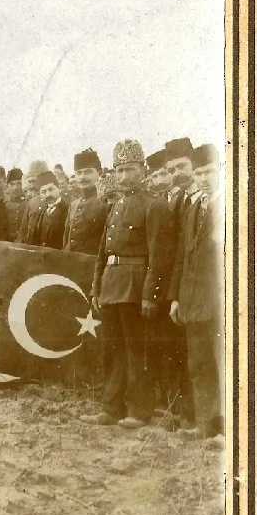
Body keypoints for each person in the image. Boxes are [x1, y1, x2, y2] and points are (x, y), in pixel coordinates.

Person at [82, 139, 174, 430]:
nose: (124, 176)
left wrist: (150, 296)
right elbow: (103, 252)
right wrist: (96, 287)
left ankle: (139, 409)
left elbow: (159, 255)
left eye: (130, 169)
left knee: (136, 350)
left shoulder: (154, 205)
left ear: (143, 169)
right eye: (119, 170)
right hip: (111, 285)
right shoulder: (116, 205)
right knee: (113, 349)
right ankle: (111, 408)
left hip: (136, 286)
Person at [168, 143, 224, 442]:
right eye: (200, 173)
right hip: (193, 299)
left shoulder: (232, 205)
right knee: (199, 363)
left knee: (224, 361)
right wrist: (176, 298)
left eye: (209, 172)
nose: (204, 179)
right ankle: (205, 423)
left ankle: (229, 427)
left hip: (220, 299)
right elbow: (181, 256)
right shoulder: (192, 208)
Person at [155, 136, 200, 425]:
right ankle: (180, 410)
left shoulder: (203, 199)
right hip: (177, 286)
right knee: (175, 349)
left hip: (195, 289)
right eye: (172, 170)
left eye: (182, 166)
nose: (177, 174)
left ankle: (194, 414)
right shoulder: (179, 199)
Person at [63, 148, 109, 255]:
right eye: (79, 173)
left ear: (99, 173)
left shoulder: (106, 201)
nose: (82, 177)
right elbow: (66, 240)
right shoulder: (73, 204)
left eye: (88, 172)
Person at [22, 171, 69, 250]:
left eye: (51, 190)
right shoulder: (41, 211)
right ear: (40, 194)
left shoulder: (68, 209)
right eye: (43, 192)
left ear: (58, 188)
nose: (48, 195)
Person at [16, 160, 51, 242]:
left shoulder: (56, 199)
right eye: (30, 181)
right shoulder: (32, 202)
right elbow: (23, 232)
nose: (31, 185)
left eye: (34, 181)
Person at [3, 168, 27, 242]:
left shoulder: (29, 204)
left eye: (19, 183)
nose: (15, 187)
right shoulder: (3, 205)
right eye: (12, 184)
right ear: (7, 186)